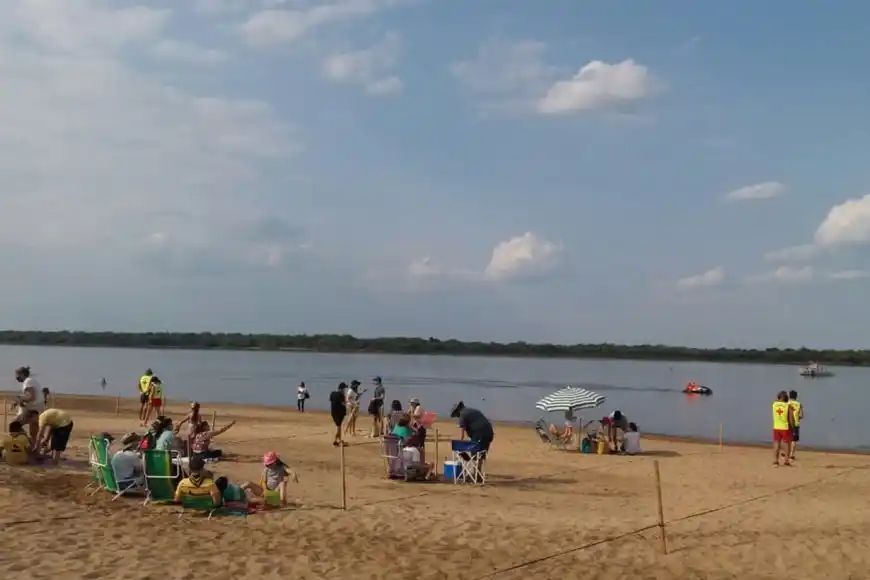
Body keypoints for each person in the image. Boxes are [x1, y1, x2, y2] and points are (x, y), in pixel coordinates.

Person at [14, 366, 42, 445]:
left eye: (17, 375)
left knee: (14, 426)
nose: (16, 377)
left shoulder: (27, 382)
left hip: (32, 409)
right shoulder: (32, 381)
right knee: (33, 433)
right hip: (38, 409)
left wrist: (19, 399)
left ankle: (28, 443)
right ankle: (34, 450)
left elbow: (31, 397)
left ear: (22, 374)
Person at [772, 390, 794, 467]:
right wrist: (793, 427)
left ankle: (775, 461)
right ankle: (786, 461)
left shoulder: (774, 404)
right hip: (785, 427)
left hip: (776, 426)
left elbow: (777, 400)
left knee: (776, 443)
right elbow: (791, 419)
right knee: (786, 444)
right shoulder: (788, 406)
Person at [329, 383, 347, 447]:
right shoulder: (341, 395)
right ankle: (335, 441)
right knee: (338, 427)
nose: (345, 390)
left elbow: (331, 400)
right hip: (339, 413)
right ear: (341, 389)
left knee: (338, 427)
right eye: (344, 389)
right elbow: (344, 403)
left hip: (333, 412)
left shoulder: (332, 393)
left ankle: (339, 440)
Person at [788, 390, 803, 461]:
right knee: (794, 440)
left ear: (789, 396)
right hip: (796, 424)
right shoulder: (799, 404)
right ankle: (791, 455)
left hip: (787, 423)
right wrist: (797, 418)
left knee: (787, 439)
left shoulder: (787, 403)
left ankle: (785, 452)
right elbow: (801, 415)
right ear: (796, 396)